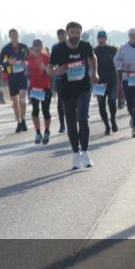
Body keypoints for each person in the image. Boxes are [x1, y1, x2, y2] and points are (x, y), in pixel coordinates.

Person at [48, 22, 99, 170]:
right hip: (66, 90)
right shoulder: (58, 49)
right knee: (70, 122)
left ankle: (86, 152)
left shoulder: (85, 46)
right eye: (72, 32)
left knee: (82, 118)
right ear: (67, 33)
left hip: (83, 88)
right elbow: (49, 68)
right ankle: (76, 154)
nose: (75, 35)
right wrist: (57, 72)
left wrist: (94, 72)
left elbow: (93, 57)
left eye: (78, 32)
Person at [0, 29, 29, 133]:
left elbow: (30, 59)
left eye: (15, 34)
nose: (14, 36)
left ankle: (23, 119)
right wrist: (8, 63)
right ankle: (19, 121)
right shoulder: (6, 49)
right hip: (12, 77)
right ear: (9, 36)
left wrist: (26, 64)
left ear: (18, 35)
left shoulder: (24, 47)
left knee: (22, 96)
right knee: (15, 101)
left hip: (23, 76)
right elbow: (0, 63)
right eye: (12, 35)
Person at [92, 31, 119, 136]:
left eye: (103, 38)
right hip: (99, 82)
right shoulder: (93, 51)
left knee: (112, 101)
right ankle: (107, 126)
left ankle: (112, 119)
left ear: (106, 39)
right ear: (97, 39)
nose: (101, 39)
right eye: (99, 38)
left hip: (112, 80)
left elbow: (118, 62)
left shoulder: (112, 49)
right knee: (101, 105)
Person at [26, 39, 52, 145]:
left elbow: (51, 71)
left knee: (45, 111)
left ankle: (47, 131)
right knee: (35, 110)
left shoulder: (46, 57)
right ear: (33, 47)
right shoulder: (29, 57)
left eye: (39, 46)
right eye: (35, 46)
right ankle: (38, 133)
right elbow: (26, 68)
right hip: (34, 88)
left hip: (45, 87)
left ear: (41, 47)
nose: (37, 48)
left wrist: (45, 68)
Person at [53, 28, 67, 134]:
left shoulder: (70, 45)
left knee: (72, 101)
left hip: (72, 77)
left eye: (62, 34)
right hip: (59, 78)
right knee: (60, 102)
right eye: (59, 35)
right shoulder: (55, 47)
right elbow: (53, 61)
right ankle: (62, 125)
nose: (61, 36)